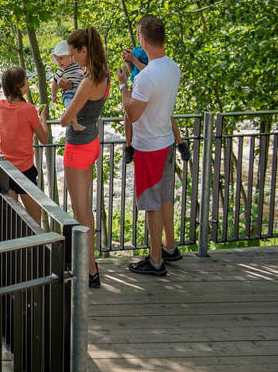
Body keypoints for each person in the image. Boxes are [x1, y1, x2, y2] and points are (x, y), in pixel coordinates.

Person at [118, 15, 182, 276]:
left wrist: (123, 85)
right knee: (165, 197)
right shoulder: (172, 67)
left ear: (143, 40)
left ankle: (155, 260)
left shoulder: (144, 79)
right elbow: (152, 81)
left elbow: (132, 114)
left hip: (149, 148)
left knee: (152, 204)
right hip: (166, 141)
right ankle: (169, 247)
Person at [59, 27, 109, 288]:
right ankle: (88, 263)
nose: (71, 57)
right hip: (92, 142)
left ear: (84, 50)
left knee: (80, 211)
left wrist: (63, 113)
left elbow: (66, 118)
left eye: (73, 52)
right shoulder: (103, 75)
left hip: (77, 148)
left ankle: (89, 269)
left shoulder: (89, 81)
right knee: (85, 208)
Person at [0, 66, 49, 224]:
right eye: (26, 80)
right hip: (25, 172)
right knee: (35, 220)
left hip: (6, 170)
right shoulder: (29, 109)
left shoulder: (1, 106)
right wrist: (43, 119)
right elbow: (44, 138)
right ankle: (35, 248)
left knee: (11, 222)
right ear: (21, 87)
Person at [121, 45, 191, 165]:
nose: (138, 36)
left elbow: (150, 72)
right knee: (128, 116)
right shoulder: (137, 50)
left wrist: (133, 60)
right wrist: (129, 62)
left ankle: (180, 143)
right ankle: (129, 147)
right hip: (137, 87)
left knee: (167, 114)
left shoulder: (151, 53)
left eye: (139, 33)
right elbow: (135, 71)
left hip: (150, 87)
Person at [50, 39, 86, 132]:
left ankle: (77, 121)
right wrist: (54, 95)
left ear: (70, 56)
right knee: (70, 109)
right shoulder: (61, 71)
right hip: (68, 94)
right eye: (57, 60)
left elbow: (85, 74)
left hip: (80, 93)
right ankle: (75, 124)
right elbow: (54, 82)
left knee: (80, 108)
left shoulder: (78, 65)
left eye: (61, 58)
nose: (59, 62)